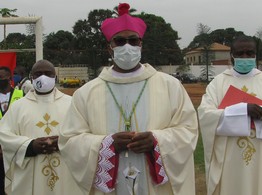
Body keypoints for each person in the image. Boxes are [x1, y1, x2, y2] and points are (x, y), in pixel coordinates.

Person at [58, 3, 198, 195]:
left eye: (133, 41)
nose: (127, 46)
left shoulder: (170, 86)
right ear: (110, 48)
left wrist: (156, 141)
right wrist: (107, 144)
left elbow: (188, 130)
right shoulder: (86, 93)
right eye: (120, 41)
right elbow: (69, 140)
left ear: (141, 45)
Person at [198, 35, 262, 195]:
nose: (245, 57)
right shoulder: (218, 83)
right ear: (232, 54)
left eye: (250, 53)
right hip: (231, 162)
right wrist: (242, 111)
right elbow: (206, 115)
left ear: (256, 55)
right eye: (240, 53)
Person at [0, 60, 81, 195]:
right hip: (30, 170)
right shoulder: (18, 106)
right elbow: (3, 134)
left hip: (65, 171)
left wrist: (62, 141)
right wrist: (30, 146)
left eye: (48, 74)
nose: (42, 77)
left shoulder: (71, 103)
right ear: (32, 78)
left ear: (55, 78)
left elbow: (83, 133)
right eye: (38, 74)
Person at [0, 66, 24, 195]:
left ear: (9, 78)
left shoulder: (21, 95)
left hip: (16, 147)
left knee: (15, 181)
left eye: (1, 77)